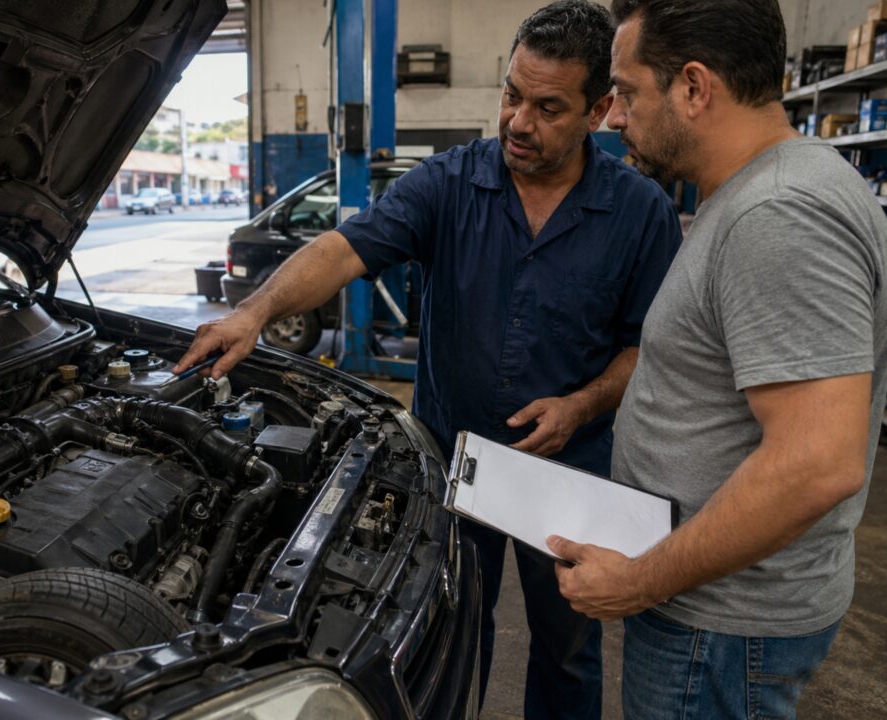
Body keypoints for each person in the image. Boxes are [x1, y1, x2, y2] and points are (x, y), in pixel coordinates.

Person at [175, 2, 681, 717]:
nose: (518, 122)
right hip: (454, 458)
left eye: (547, 107)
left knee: (568, 648)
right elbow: (343, 249)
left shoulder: (640, 213)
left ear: (599, 110)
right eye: (511, 95)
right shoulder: (451, 183)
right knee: (445, 633)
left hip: (566, 471)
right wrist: (255, 311)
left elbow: (643, 347)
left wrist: (583, 403)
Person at [544, 1, 887, 718]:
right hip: (716, 614)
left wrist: (644, 579)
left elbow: (816, 462)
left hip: (719, 627)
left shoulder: (778, 216)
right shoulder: (764, 192)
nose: (614, 118)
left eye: (630, 92)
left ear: (695, 87)